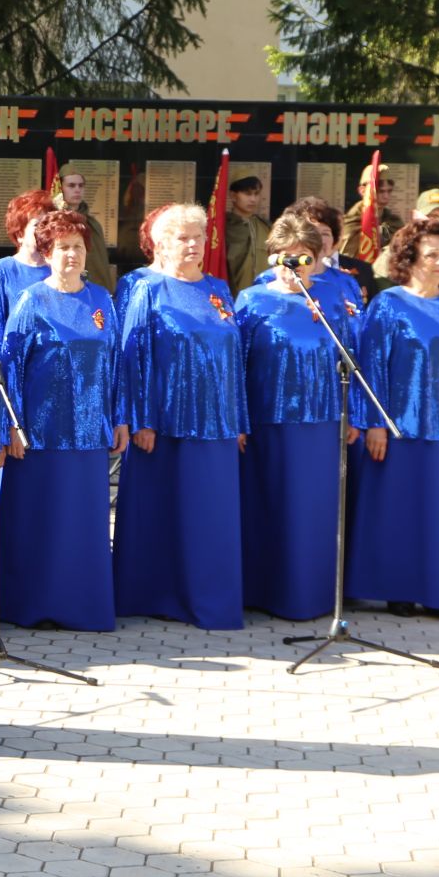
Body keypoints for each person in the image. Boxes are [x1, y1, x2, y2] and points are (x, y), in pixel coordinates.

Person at [113, 203, 249, 629]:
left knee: (212, 518)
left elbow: (235, 359)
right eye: (181, 237)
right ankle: (156, 597)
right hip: (164, 427)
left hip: (218, 425)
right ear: (160, 243)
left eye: (198, 237)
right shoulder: (147, 289)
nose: (193, 245)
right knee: (163, 516)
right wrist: (143, 419)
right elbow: (133, 359)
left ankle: (210, 602)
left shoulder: (219, 290)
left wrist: (240, 420)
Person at [347, 219, 439, 615]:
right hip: (399, 428)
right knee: (399, 510)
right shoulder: (389, 305)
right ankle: (400, 591)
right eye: (432, 255)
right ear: (409, 259)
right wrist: (374, 422)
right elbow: (370, 367)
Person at [0, 210, 125, 631]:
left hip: (89, 435)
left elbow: (117, 364)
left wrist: (119, 417)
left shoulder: (101, 300)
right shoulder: (31, 300)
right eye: (62, 247)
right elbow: (10, 366)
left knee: (82, 526)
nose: (71, 254)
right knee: (40, 523)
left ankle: (82, 608)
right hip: (40, 434)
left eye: (77, 247)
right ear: (48, 253)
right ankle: (29, 605)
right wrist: (12, 425)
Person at [233, 214, 359, 621]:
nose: (294, 268)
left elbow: (352, 362)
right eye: (285, 259)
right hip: (267, 422)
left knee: (312, 512)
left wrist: (353, 416)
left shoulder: (332, 301)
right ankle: (262, 591)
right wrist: (238, 420)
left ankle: (310, 597)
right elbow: (237, 366)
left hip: (321, 422)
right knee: (269, 507)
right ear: (271, 258)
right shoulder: (252, 301)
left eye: (303, 260)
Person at [260, 198, 369, 315]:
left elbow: (357, 322)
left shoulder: (345, 281)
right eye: (312, 232)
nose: (320, 240)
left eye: (325, 233)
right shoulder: (269, 278)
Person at [376, 189, 439, 296]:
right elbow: (381, 294)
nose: (438, 221)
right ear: (416, 217)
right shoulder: (397, 251)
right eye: (432, 215)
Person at [0, 188, 54, 332]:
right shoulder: (2, 270)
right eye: (36, 224)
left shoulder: (57, 268)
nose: (43, 230)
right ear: (20, 233)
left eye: (46, 224)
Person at [53, 164, 114, 291]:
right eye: (71, 185)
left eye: (81, 185)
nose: (77, 190)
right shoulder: (52, 222)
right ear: (61, 188)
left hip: (93, 293)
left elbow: (100, 265)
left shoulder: (92, 223)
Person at [224, 175, 270, 295]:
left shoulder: (266, 227)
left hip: (263, 297)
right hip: (231, 298)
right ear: (233, 196)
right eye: (247, 194)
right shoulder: (223, 227)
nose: (253, 199)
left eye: (256, 194)